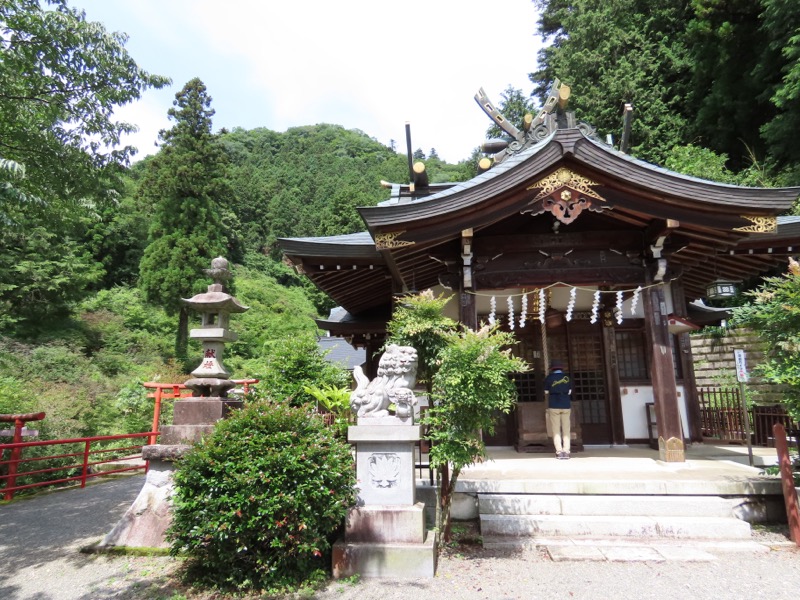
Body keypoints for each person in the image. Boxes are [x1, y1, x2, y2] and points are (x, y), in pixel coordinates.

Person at [544, 361, 573, 460]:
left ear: (552, 369)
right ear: (561, 368)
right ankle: (567, 451)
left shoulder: (549, 378)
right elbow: (569, 392)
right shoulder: (567, 378)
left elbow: (546, 391)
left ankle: (559, 451)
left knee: (556, 429)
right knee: (566, 429)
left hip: (554, 404)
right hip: (565, 404)